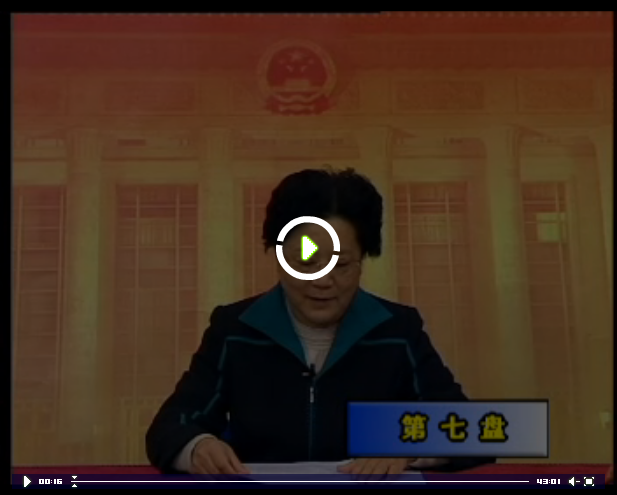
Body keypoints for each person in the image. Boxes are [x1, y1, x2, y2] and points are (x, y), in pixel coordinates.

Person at [146, 167, 495, 476]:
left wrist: (407, 445)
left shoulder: (397, 330)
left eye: (341, 265)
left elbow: (479, 431)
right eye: (306, 262)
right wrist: (198, 446)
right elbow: (171, 425)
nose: (323, 281)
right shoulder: (235, 330)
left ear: (363, 260)